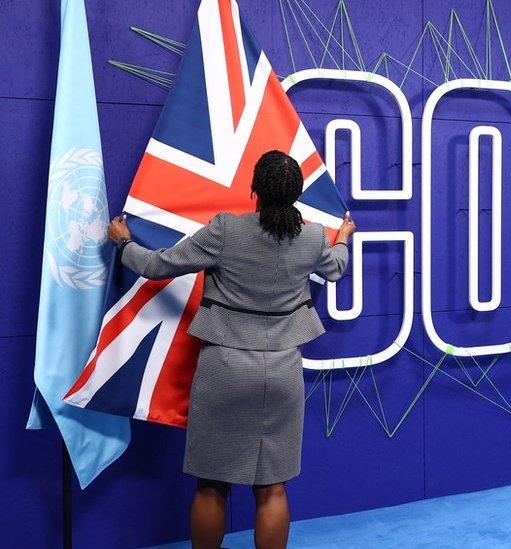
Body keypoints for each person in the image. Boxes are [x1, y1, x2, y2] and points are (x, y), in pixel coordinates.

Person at [106, 150, 356, 549]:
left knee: (211, 486)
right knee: (272, 488)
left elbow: (157, 266)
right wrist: (342, 240)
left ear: (254, 188)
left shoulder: (225, 229)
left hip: (224, 368)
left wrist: (123, 245)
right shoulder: (311, 237)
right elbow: (336, 267)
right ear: (297, 193)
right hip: (282, 371)